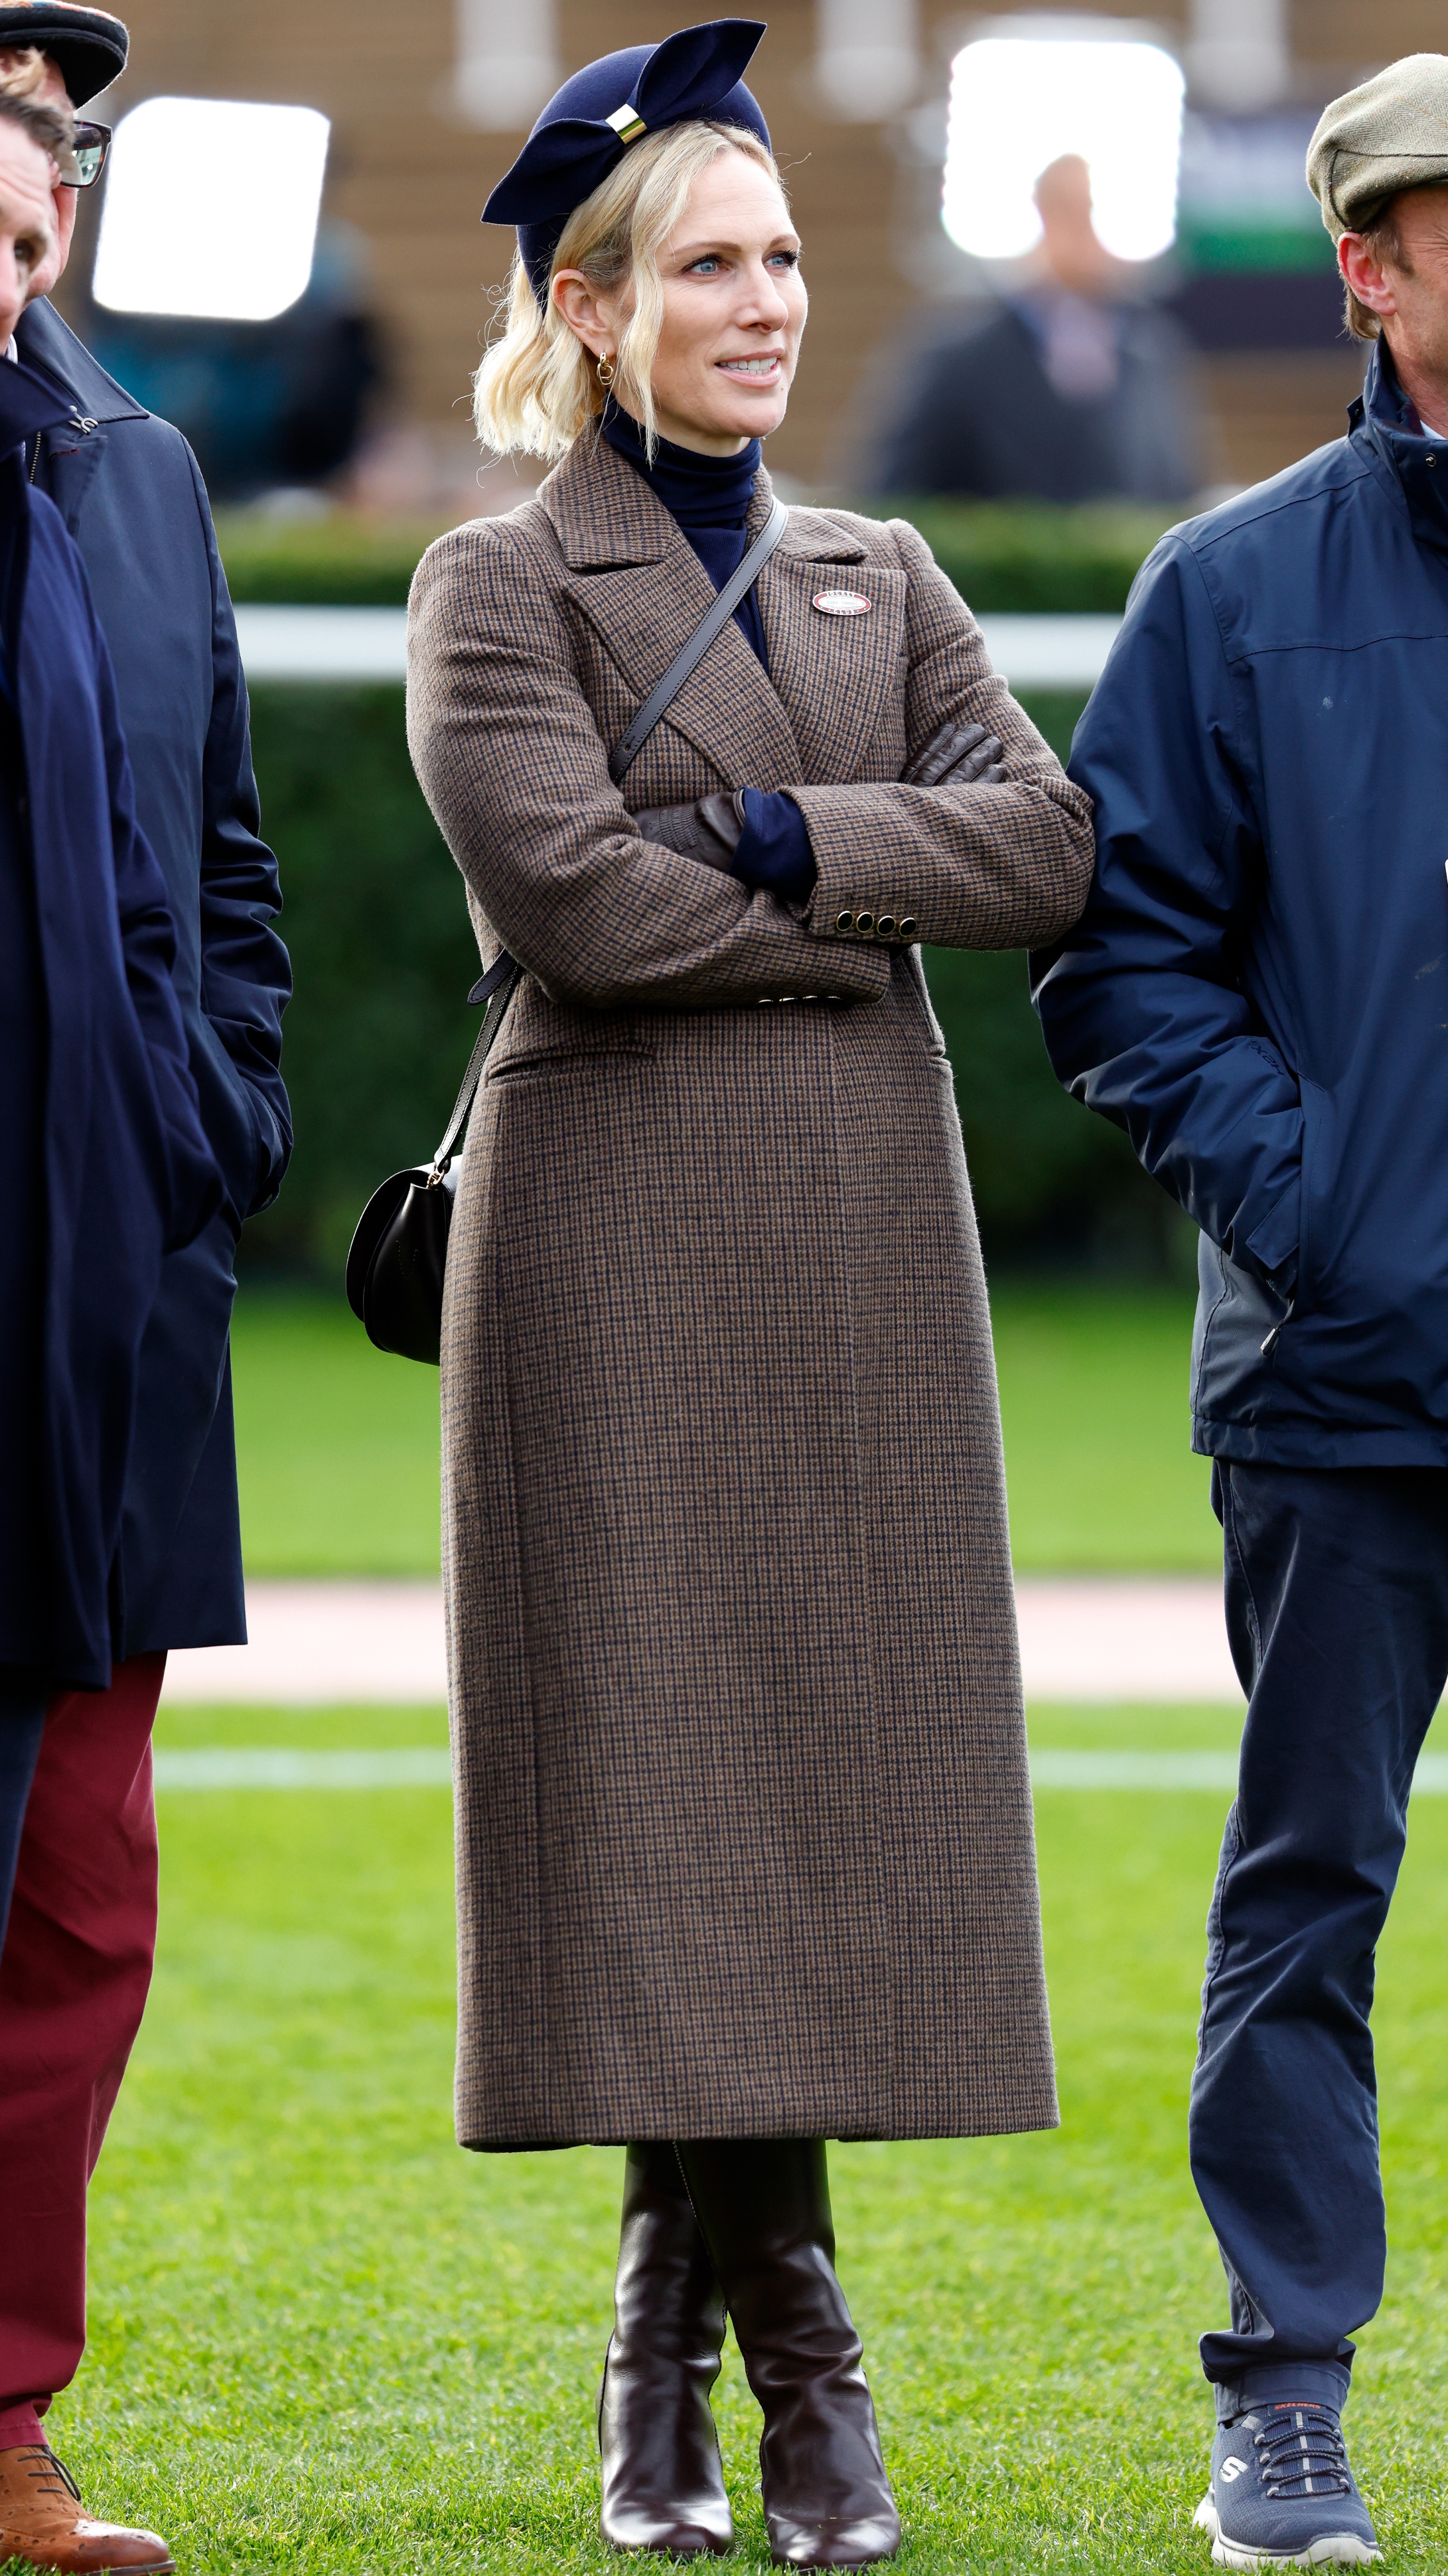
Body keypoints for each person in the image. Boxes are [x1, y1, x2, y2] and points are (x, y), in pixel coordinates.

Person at [407, 19, 1094, 2567]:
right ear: (589, 307)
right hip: (606, 1272)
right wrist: (847, 899)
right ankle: (793, 2350)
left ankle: (652, 2338)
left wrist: (793, 824)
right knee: (665, 1787)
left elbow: (1048, 848)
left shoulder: (876, 568)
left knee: (802, 1788)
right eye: (711, 261)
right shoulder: (492, 580)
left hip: (848, 1258)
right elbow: (560, 900)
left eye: (786, 256)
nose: (766, 300)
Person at [1032, 49, 1448, 2574]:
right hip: (1337, 1380)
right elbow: (1122, 971)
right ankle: (1280, 2390)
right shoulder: (1225, 589)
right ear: (1368, 267)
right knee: (1304, 1891)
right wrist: (1333, 1222)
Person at [0, 5, 291, 2561]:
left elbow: (222, 855)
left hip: (114, 1324)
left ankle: (0, 2430)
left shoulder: (140, 471)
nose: (30, 194)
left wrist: (221, 1119)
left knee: (80, 1906)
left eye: (46, 154)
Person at [867, 154, 1202, 505]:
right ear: (1047, 215)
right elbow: (893, 494)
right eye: (1076, 212)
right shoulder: (959, 353)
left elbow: (1178, 486)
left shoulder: (1151, 351)